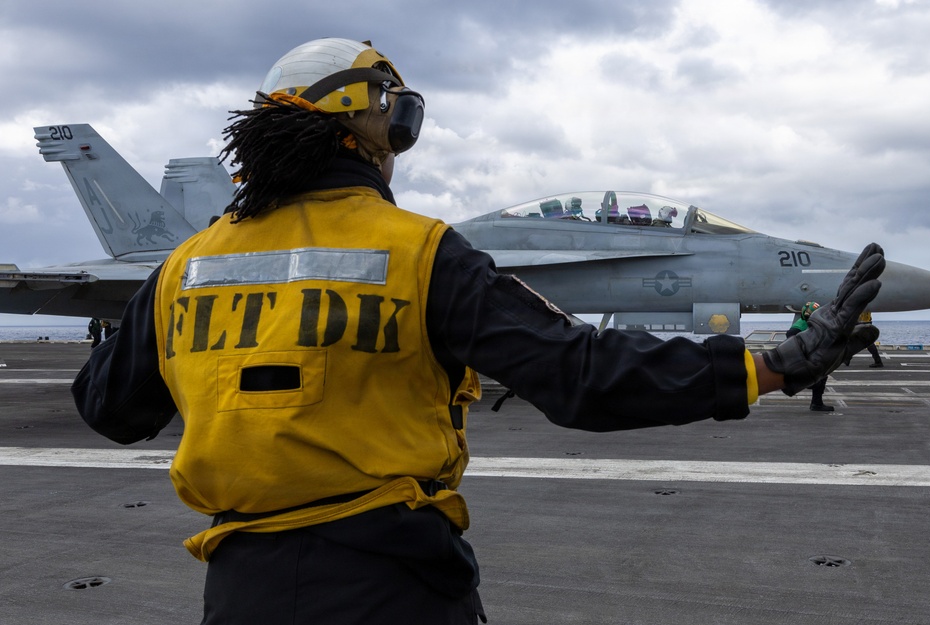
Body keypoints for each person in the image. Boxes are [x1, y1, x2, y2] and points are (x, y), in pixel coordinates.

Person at [70, 38, 885, 625]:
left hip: (239, 589)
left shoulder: (187, 267)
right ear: (370, 124)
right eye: (397, 117)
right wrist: (773, 366)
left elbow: (109, 408)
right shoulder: (419, 252)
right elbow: (580, 376)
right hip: (394, 584)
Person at [786, 302, 835, 412]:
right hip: (797, 361)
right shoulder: (798, 328)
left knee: (822, 375)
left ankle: (817, 403)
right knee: (817, 378)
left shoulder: (809, 324)